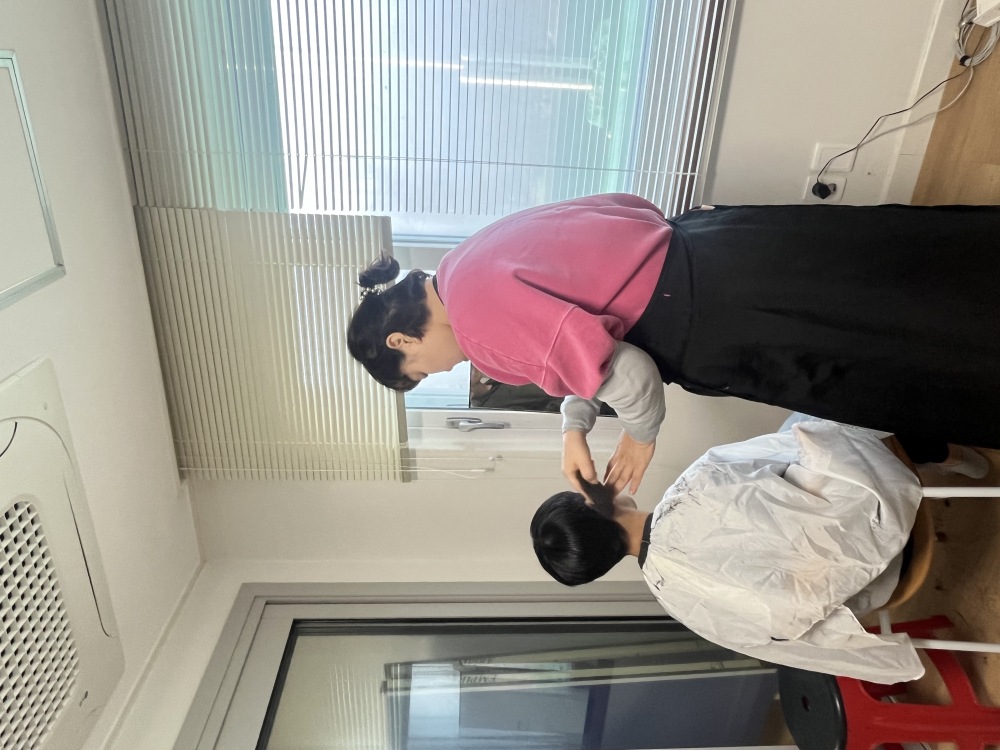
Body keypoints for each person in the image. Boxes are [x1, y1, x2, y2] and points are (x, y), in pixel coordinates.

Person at [347, 194, 1000, 494]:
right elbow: (589, 328)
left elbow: (629, 374)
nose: (442, 371)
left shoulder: (482, 335)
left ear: (403, 339)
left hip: (732, 319)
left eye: (421, 372)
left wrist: (640, 437)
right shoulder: (468, 259)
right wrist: (574, 426)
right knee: (901, 272)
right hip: (726, 243)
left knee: (898, 351)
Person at [530, 419, 933, 683]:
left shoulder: (678, 604)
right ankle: (950, 454)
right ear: (592, 502)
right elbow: (800, 443)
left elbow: (784, 642)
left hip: (876, 590)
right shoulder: (698, 482)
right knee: (812, 416)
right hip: (885, 515)